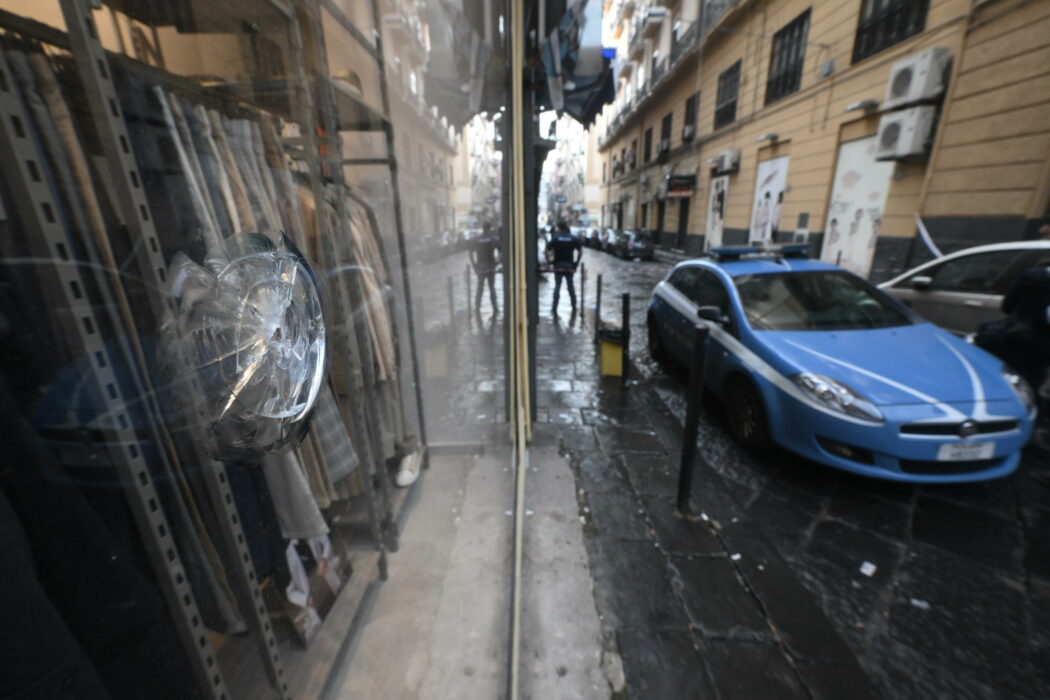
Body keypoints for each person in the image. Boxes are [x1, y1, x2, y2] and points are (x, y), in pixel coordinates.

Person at [548, 221, 582, 315]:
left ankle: (554, 307)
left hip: (558, 265)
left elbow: (546, 250)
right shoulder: (573, 238)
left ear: (560, 228)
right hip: (569, 266)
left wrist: (549, 261)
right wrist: (576, 263)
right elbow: (580, 252)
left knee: (557, 286)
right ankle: (574, 307)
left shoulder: (555, 238)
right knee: (570, 286)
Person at [471, 221, 500, 317]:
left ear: (483, 228)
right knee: (492, 288)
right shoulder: (492, 239)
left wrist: (474, 265)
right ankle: (495, 308)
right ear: (489, 228)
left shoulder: (477, 239)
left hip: (480, 267)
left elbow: (470, 252)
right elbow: (502, 250)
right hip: (491, 267)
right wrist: (497, 262)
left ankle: (477, 307)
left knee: (480, 288)